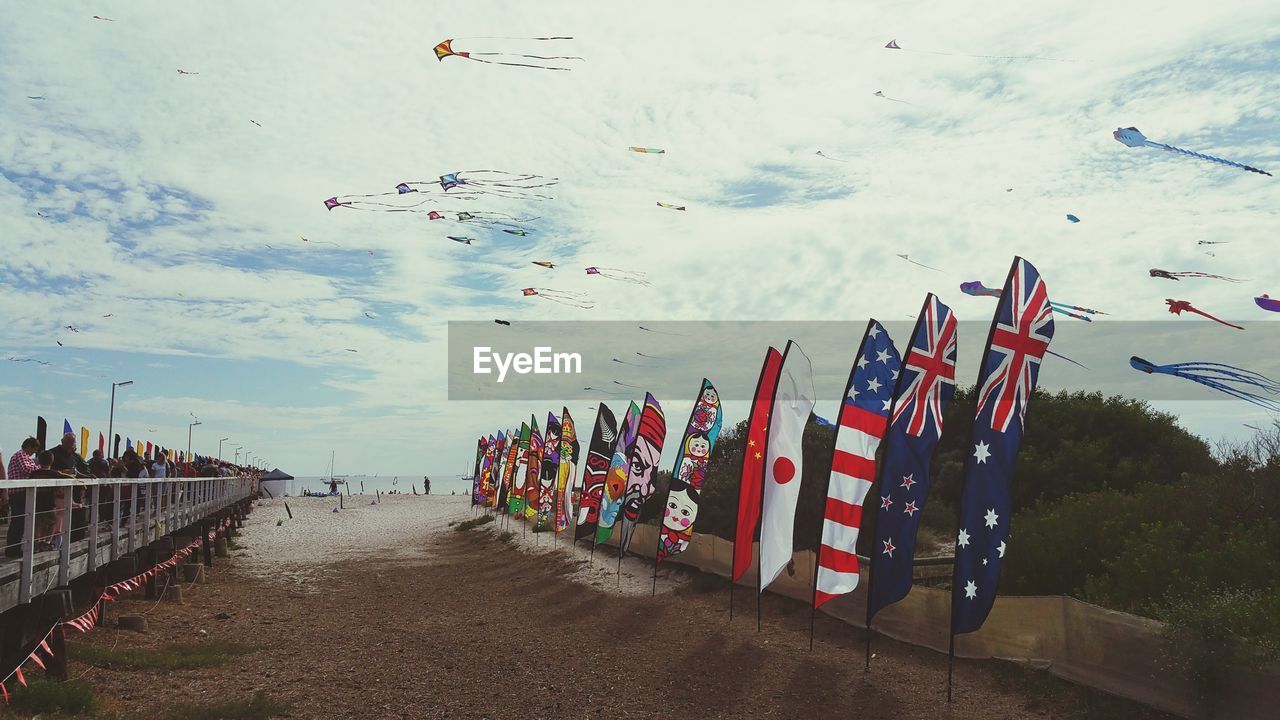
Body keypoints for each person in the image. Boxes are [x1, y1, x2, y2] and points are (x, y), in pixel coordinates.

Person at [4, 438, 42, 557]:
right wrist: (42, 468)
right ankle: (11, 549)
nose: (34, 452)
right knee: (18, 521)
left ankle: (15, 548)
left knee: (21, 521)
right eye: (34, 449)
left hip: (22, 493)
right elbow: (26, 470)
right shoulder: (21, 455)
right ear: (29, 446)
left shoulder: (26, 457)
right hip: (18, 493)